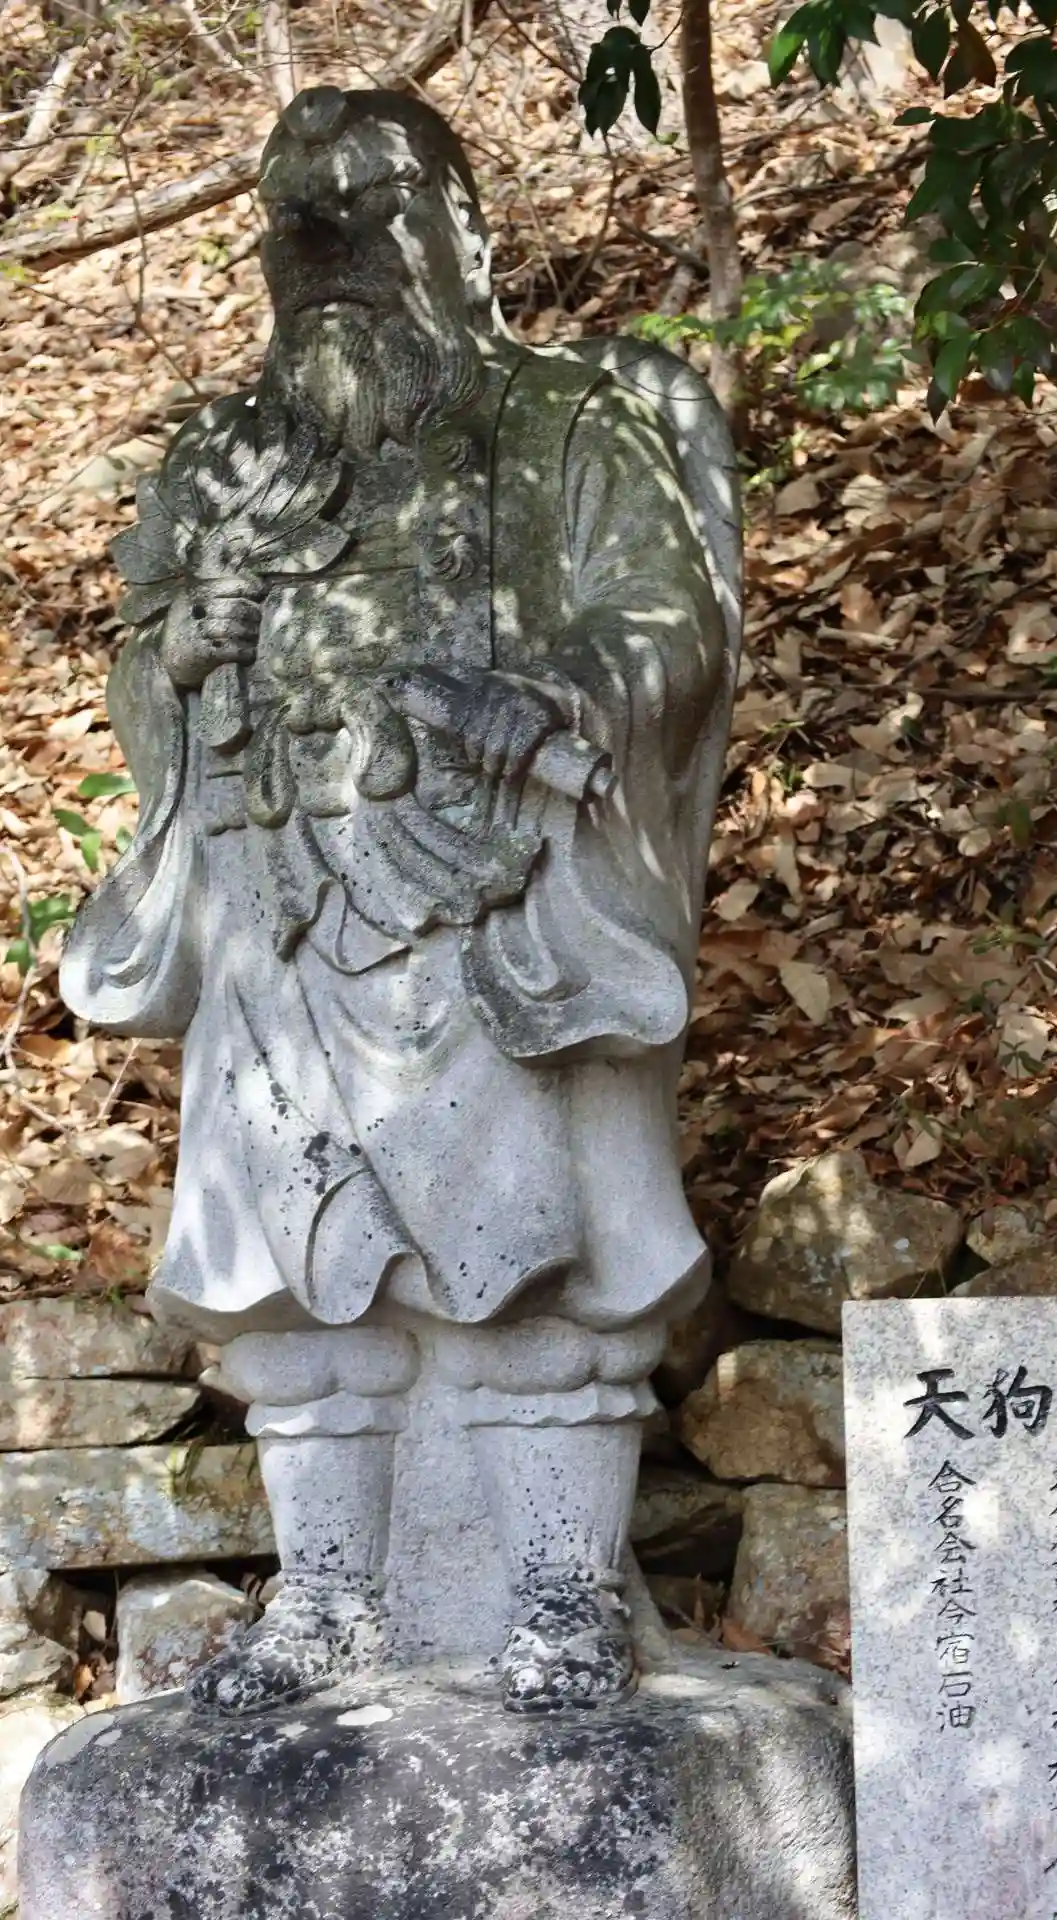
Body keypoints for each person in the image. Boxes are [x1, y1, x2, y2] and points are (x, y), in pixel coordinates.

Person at [62, 84, 740, 1716]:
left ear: (465, 232)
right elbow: (145, 668)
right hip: (270, 904)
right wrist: (183, 652)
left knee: (537, 1268)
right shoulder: (225, 462)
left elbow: (669, 620)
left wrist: (559, 693)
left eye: (368, 206)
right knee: (292, 1287)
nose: (328, 246)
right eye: (294, 217)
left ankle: (560, 1593)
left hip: (489, 906)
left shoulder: (577, 421)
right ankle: (329, 1600)